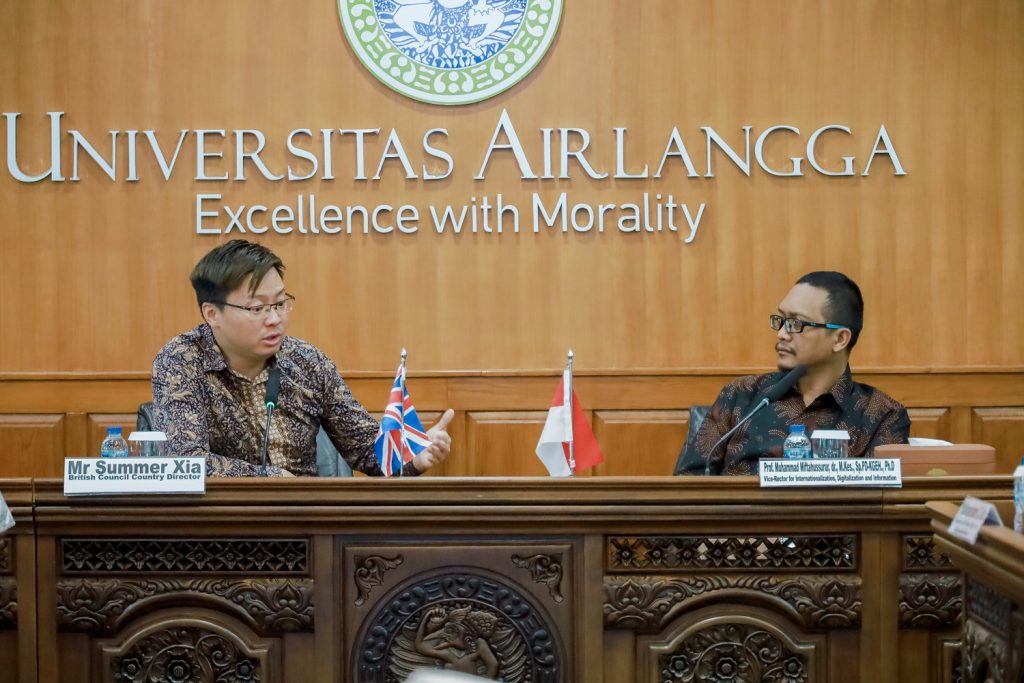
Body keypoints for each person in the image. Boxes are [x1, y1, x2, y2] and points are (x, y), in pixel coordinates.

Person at [152, 239, 453, 477]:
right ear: (212, 313)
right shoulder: (181, 361)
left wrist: (415, 455)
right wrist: (270, 479)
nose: (275, 319)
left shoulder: (307, 362)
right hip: (222, 526)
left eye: (280, 303)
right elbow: (185, 462)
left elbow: (365, 448)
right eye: (257, 309)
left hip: (307, 522)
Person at [677, 271, 910, 476]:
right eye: (781, 320)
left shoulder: (882, 415)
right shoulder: (740, 395)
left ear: (840, 339)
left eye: (796, 324)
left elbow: (878, 500)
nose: (782, 334)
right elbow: (689, 486)